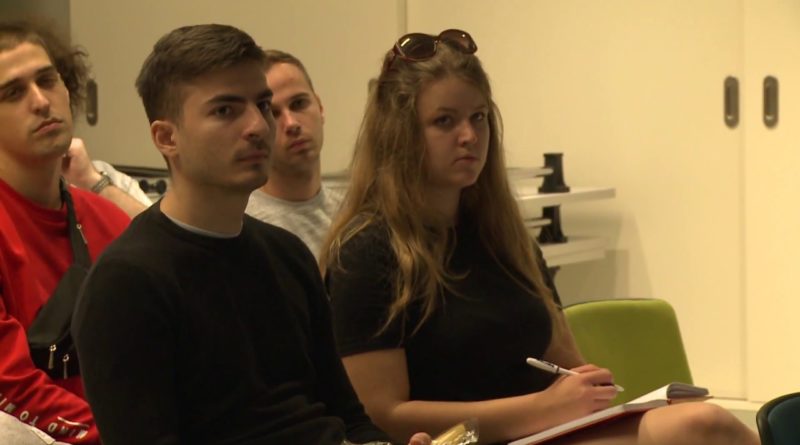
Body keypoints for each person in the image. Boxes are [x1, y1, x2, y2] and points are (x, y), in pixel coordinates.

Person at [321, 29, 761, 445]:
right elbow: (381, 413)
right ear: (400, 136)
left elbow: (567, 361)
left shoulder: (502, 235)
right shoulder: (368, 252)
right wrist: (541, 409)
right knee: (699, 428)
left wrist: (595, 393)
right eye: (444, 121)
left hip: (543, 431)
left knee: (702, 421)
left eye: (478, 117)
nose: (469, 136)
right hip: (471, 440)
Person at [72, 24, 430, 445]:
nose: (259, 126)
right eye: (225, 110)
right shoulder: (126, 283)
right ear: (167, 138)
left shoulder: (287, 254)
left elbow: (349, 417)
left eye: (261, 105)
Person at [0, 19, 133, 444]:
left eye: (47, 80)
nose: (41, 102)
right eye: (12, 93)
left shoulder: (111, 221)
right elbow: (10, 386)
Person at [245, 49, 342, 259]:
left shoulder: (352, 215)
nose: (291, 124)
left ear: (320, 107)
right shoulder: (245, 228)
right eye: (273, 113)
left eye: (298, 104)